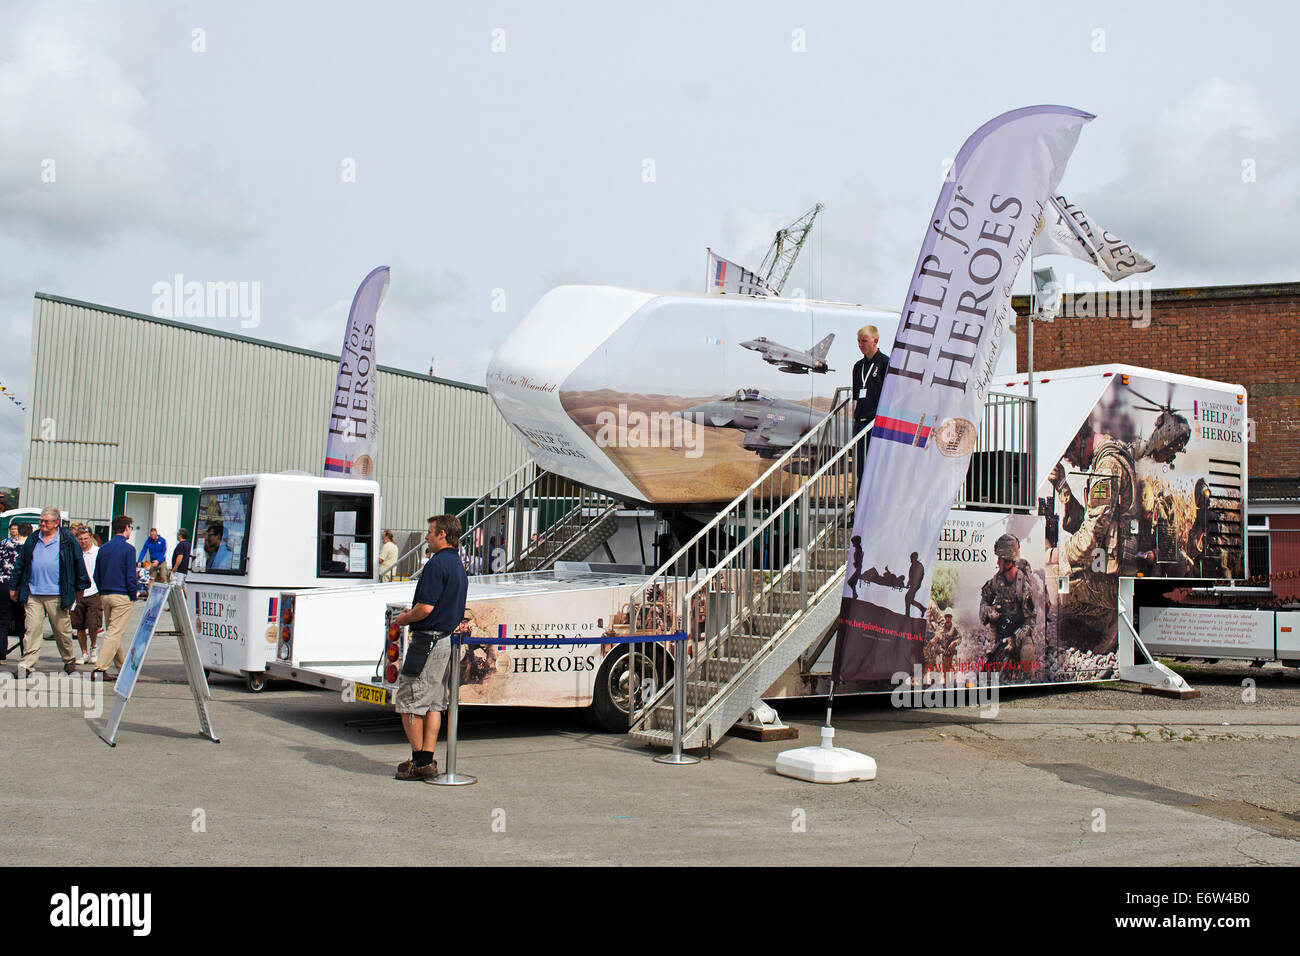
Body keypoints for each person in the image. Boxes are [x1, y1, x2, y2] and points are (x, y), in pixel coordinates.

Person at [391, 514, 469, 781]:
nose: (426, 537)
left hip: (427, 641)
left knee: (410, 700)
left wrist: (404, 618)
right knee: (434, 703)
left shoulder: (436, 565)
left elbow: (425, 608)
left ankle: (420, 761)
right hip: (445, 639)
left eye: (430, 532)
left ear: (442, 535)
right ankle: (427, 757)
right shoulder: (458, 564)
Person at [1052, 418, 1138, 653]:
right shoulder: (1107, 461)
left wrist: (1059, 555)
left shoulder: (1107, 467)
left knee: (1055, 573)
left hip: (1110, 578)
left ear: (1081, 439)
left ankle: (1107, 625)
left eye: (1070, 452)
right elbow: (1093, 521)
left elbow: (1091, 537)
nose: (1071, 461)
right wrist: (1062, 486)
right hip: (1110, 570)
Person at [9, 507, 90, 677]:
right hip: (33, 593)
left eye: (46, 521)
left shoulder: (68, 540)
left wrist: (80, 587)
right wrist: (14, 586)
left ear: (57, 523)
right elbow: (20, 564)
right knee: (32, 630)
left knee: (62, 631)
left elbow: (78, 563)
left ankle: (69, 660)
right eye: (41, 520)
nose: (42, 524)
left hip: (58, 594)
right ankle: (26, 665)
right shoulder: (33, 539)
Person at [93, 515, 139, 680]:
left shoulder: (103, 548)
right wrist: (133, 594)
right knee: (114, 632)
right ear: (127, 527)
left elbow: (96, 574)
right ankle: (99, 669)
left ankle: (123, 669)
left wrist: (102, 589)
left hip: (105, 593)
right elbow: (130, 575)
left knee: (114, 631)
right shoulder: (129, 549)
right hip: (122, 594)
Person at [979, 534, 1035, 669]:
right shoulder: (995, 581)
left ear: (1008, 560)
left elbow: (1031, 621)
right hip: (1001, 637)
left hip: (1019, 637)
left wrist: (1015, 639)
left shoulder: (1024, 586)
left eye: (1000, 559)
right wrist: (988, 611)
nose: (997, 563)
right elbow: (983, 604)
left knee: (1026, 652)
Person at [851, 324, 889, 485]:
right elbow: (857, 395)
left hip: (876, 424)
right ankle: (861, 507)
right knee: (861, 470)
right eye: (858, 341)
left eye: (864, 341)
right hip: (860, 424)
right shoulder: (858, 366)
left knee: (876, 469)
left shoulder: (885, 363)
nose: (861, 345)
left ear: (875, 341)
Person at [72, 528, 102, 665]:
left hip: (94, 592)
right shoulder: (75, 553)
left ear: (90, 538)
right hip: (78, 593)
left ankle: (93, 647)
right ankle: (83, 653)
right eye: (80, 539)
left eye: (85, 538)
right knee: (79, 626)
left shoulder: (98, 552)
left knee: (93, 624)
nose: (83, 541)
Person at [0, 522, 28, 659]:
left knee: (3, 622)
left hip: (3, 583)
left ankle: (1, 652)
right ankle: (26, 654)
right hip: (20, 586)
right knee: (23, 623)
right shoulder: (29, 548)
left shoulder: (4, 545)